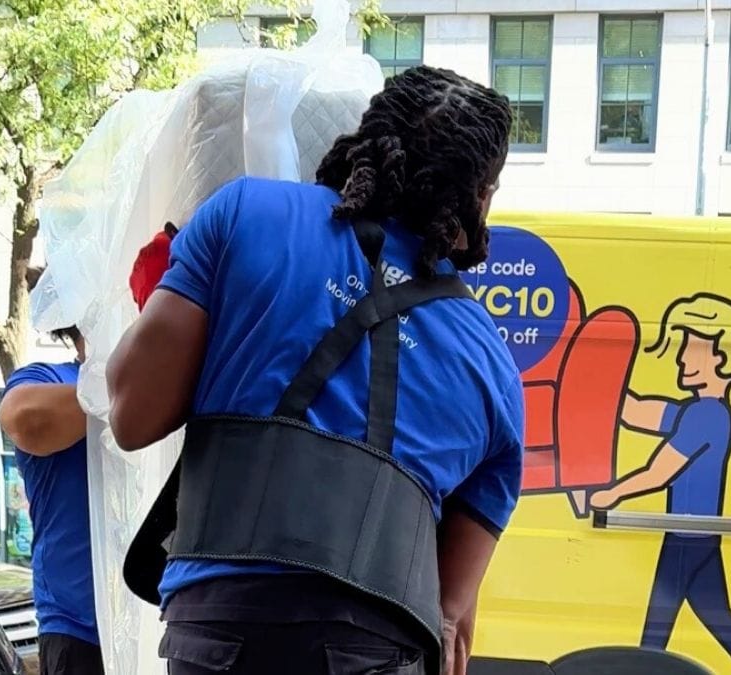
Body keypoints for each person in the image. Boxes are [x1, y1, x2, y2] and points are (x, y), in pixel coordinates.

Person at [108, 66, 521, 675]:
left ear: (367, 139)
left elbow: (132, 416)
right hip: (372, 650)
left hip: (219, 629)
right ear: (479, 198)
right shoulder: (492, 364)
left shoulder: (244, 214)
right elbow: (450, 623)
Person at [589, 293, 731, 675]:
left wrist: (612, 492)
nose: (682, 357)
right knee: (720, 621)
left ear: (722, 358)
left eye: (691, 347)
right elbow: (634, 411)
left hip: (686, 538)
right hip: (697, 536)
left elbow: (659, 472)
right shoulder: (696, 411)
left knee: (655, 636)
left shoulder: (707, 416)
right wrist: (599, 375)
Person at [0, 279, 100, 675]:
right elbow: (24, 418)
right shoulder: (50, 378)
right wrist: (120, 386)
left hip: (159, 614)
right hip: (77, 625)